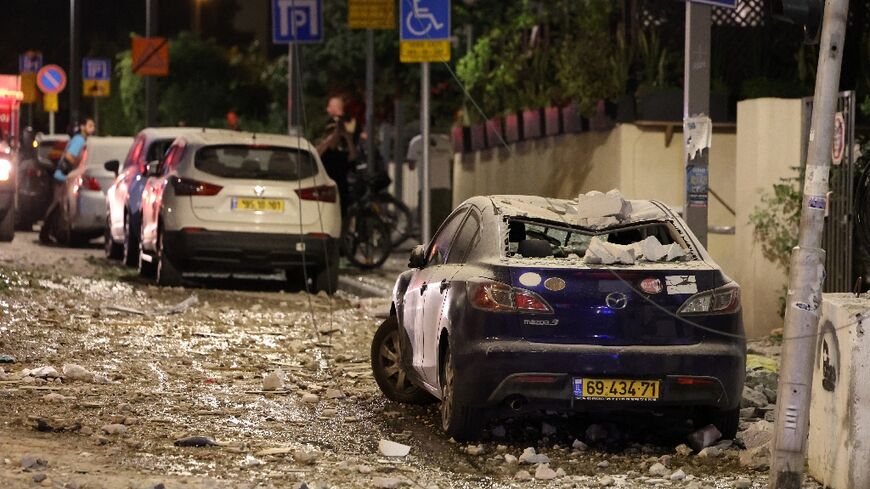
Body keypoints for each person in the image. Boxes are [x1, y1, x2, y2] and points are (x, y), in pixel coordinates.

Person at [39, 117, 95, 244]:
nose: (93, 129)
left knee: (58, 206)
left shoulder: (80, 139)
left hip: (64, 176)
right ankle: (45, 233)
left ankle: (49, 233)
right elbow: (69, 158)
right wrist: (69, 174)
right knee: (57, 205)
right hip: (63, 177)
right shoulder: (79, 140)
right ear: (82, 127)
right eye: (90, 125)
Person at [316, 96, 358, 217]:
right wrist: (333, 135)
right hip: (326, 195)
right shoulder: (325, 152)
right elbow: (318, 152)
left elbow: (352, 156)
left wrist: (347, 137)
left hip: (341, 193)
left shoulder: (341, 153)